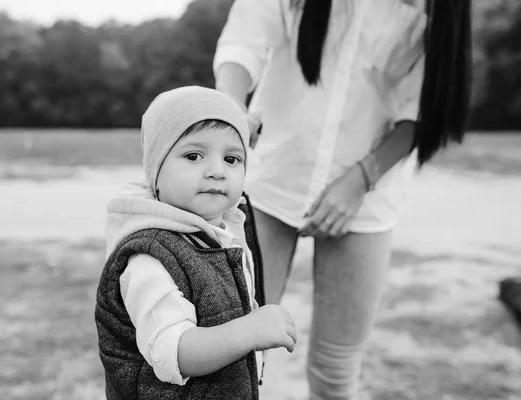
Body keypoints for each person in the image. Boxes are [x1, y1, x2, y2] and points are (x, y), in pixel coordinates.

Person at [214, 0, 472, 399]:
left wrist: (359, 182)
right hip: (270, 178)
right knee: (236, 353)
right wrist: (230, 114)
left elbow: (424, 106)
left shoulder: (437, 8)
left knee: (335, 371)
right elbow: (245, 37)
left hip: (367, 196)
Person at [94, 86, 297, 400]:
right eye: (193, 155)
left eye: (231, 158)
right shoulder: (150, 256)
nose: (217, 171)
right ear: (156, 171)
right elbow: (172, 354)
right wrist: (250, 331)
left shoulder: (223, 233)